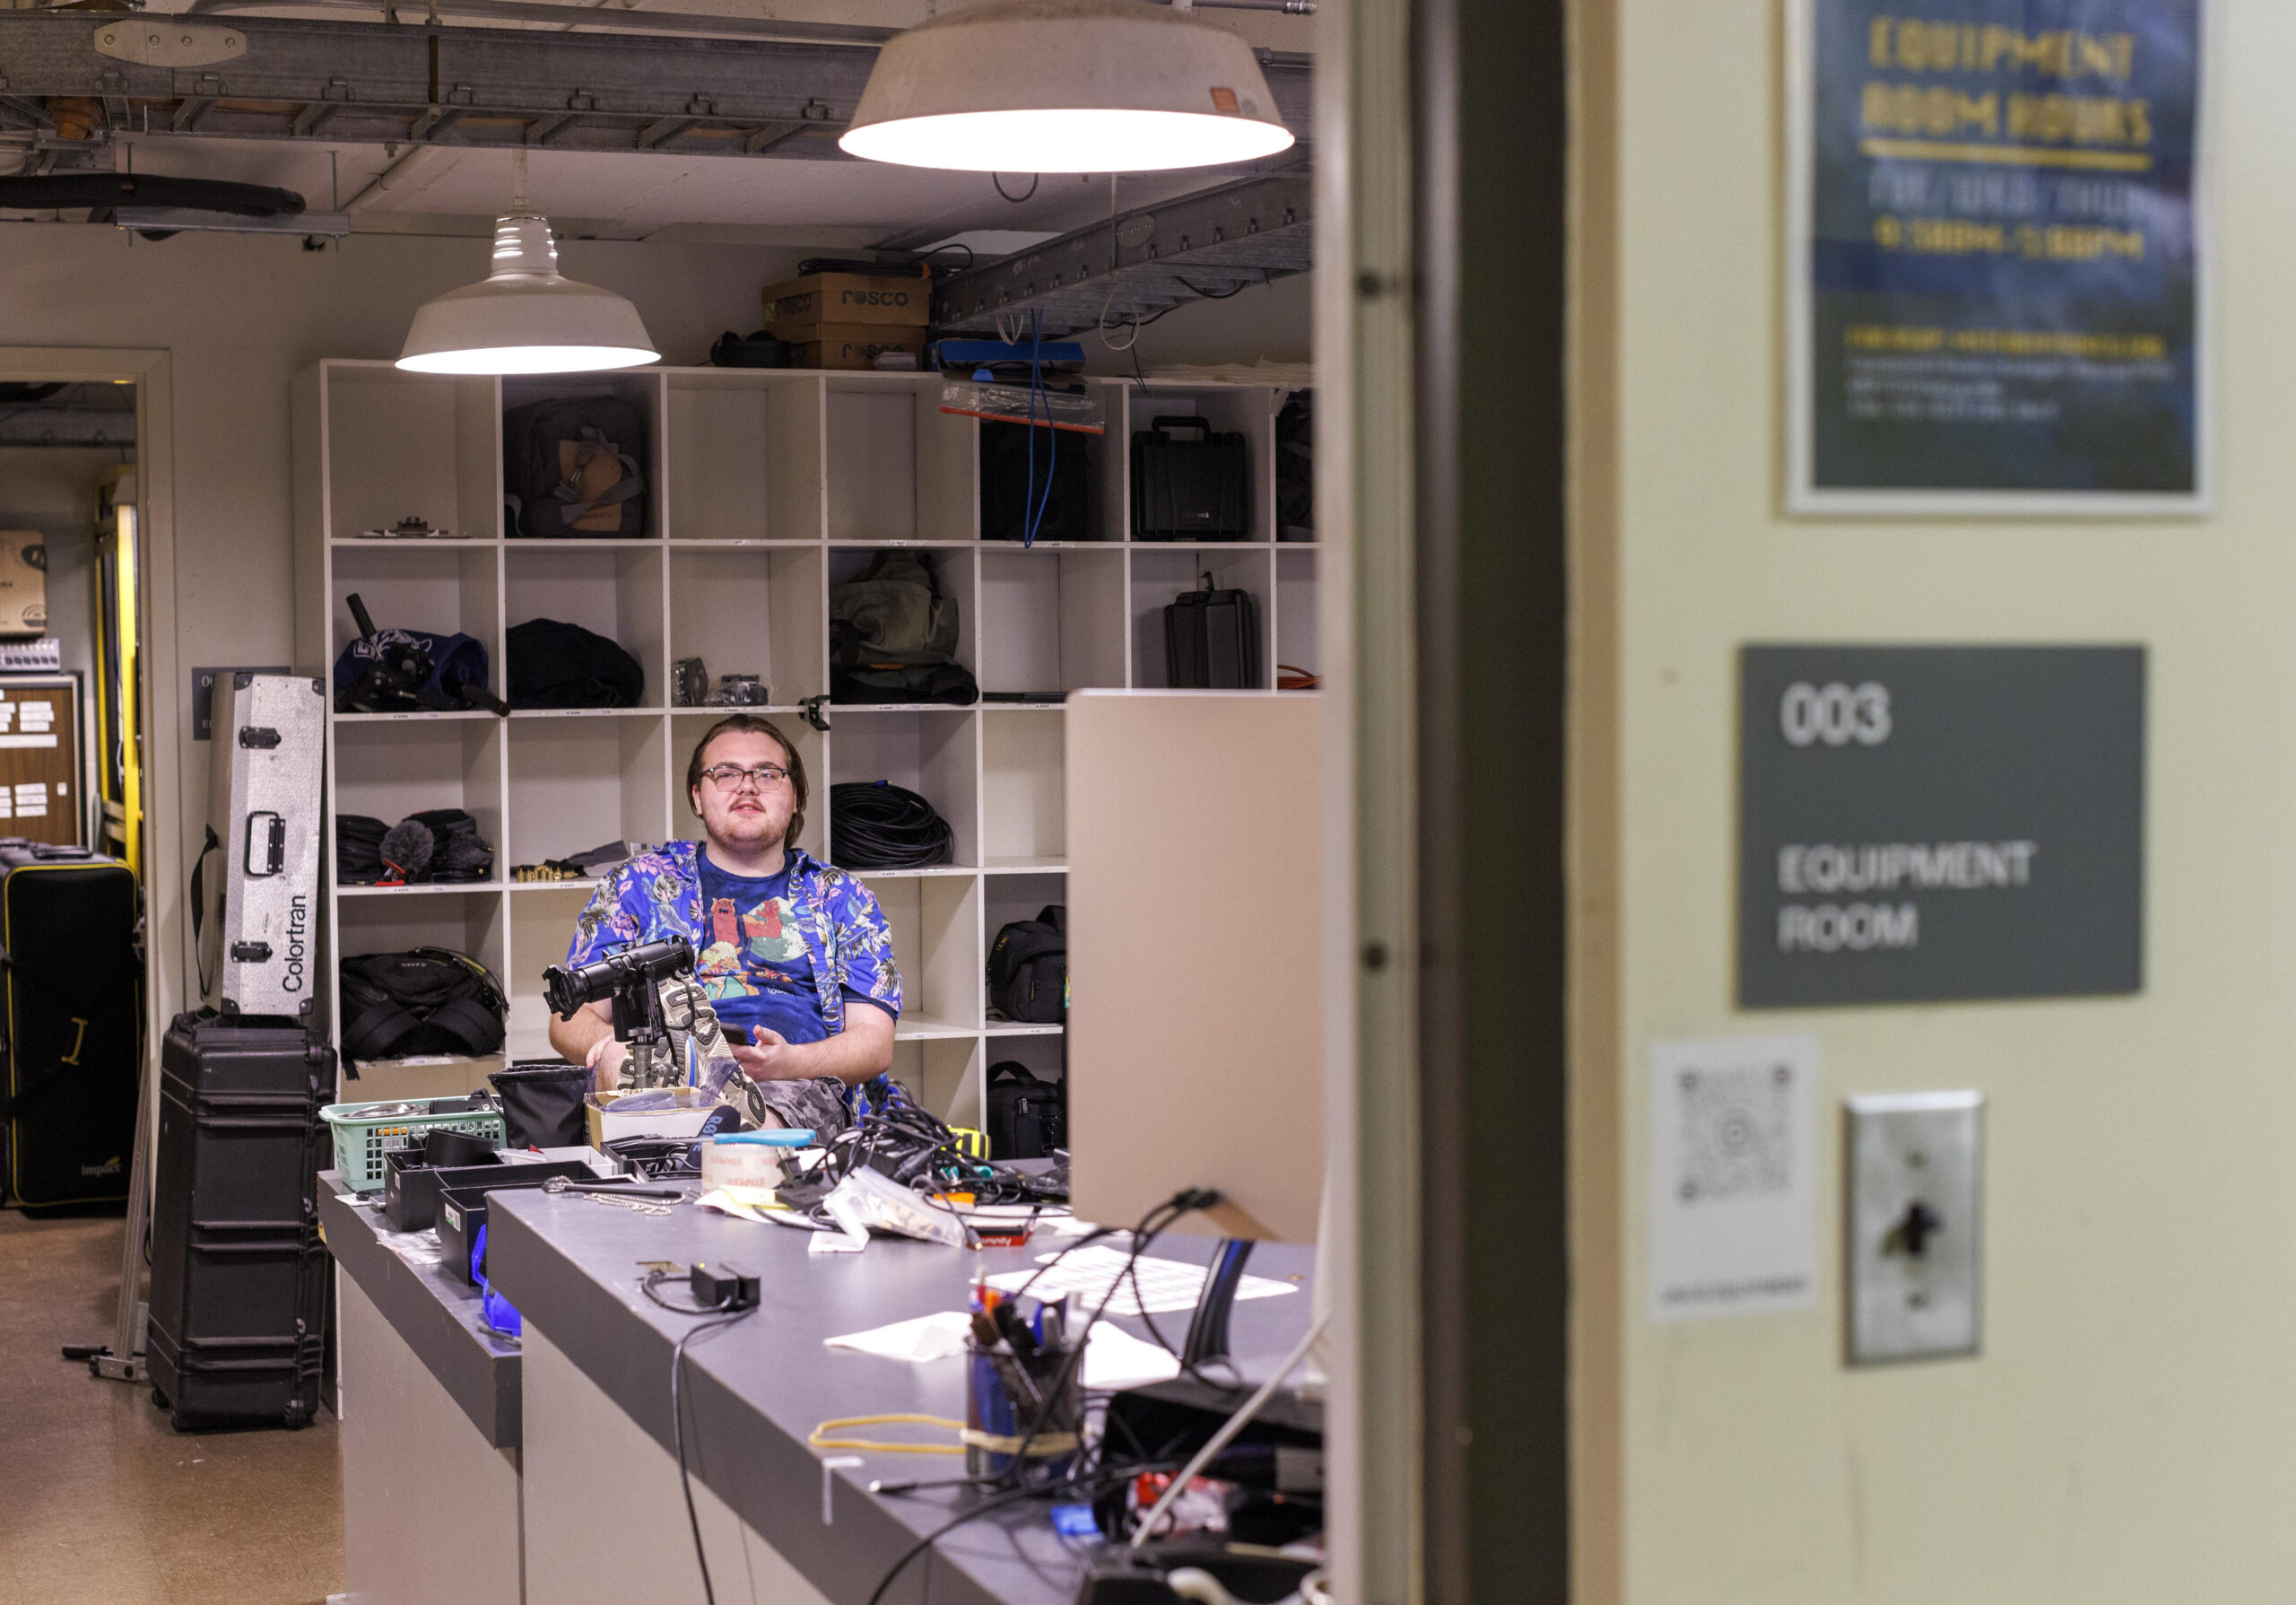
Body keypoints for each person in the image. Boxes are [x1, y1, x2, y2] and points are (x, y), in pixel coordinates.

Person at [547, 712, 900, 1134]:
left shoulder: (842, 897)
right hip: (660, 1071)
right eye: (726, 773)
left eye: (768, 774)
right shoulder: (638, 885)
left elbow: (874, 1044)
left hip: (790, 1085)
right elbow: (570, 1016)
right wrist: (605, 1043)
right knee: (618, 1061)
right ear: (697, 796)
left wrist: (793, 1062)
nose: (747, 785)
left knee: (744, 1136)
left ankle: (699, 1161)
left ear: (796, 798)